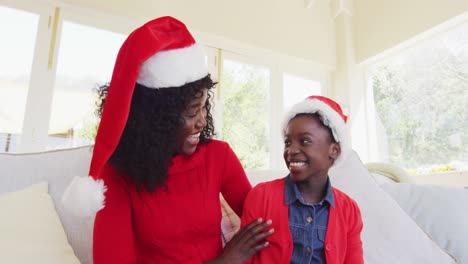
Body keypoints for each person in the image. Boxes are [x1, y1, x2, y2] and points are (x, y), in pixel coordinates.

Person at [62, 16, 273, 263]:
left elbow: (267, 224)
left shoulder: (219, 156)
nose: (203, 121)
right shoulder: (118, 177)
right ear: (155, 119)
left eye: (205, 107)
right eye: (193, 111)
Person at [241, 95, 364, 264]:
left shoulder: (349, 210)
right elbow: (245, 259)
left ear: (334, 150)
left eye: (305, 141)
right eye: (288, 142)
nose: (291, 150)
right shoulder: (262, 196)